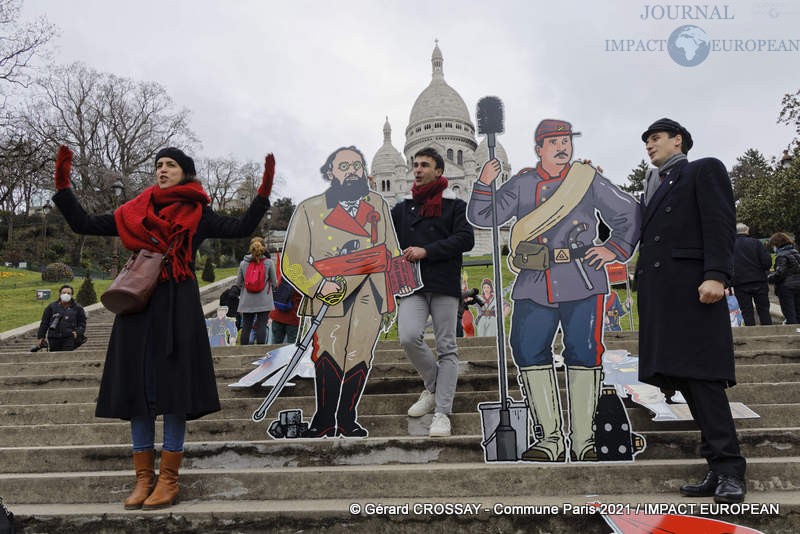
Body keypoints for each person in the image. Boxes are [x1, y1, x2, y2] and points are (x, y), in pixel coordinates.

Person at [51, 145, 274, 510]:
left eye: (170, 165)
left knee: (174, 391)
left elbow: (241, 228)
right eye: (158, 165)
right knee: (138, 389)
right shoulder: (135, 210)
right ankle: (143, 479)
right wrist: (63, 184)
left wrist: (263, 192)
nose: (162, 169)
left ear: (185, 172)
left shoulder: (198, 212)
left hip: (178, 306)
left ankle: (168, 479)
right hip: (138, 306)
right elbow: (84, 224)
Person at [470, 119, 639, 462]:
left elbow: (629, 211)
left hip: (581, 276)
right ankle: (550, 438)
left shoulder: (587, 180)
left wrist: (615, 248)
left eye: (566, 141)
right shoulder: (522, 184)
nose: (563, 147)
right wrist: (484, 183)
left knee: (584, 352)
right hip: (535, 282)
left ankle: (584, 439)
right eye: (554, 142)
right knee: (528, 350)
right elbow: (483, 216)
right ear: (539, 149)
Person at [637, 118, 746, 503]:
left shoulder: (703, 169)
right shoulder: (652, 186)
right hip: (663, 296)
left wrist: (717, 274)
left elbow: (720, 223)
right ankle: (717, 469)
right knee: (685, 380)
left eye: (656, 138)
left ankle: (730, 469)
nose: (649, 145)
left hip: (695, 291)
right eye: (646, 140)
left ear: (677, 140)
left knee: (704, 379)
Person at [282, 146, 408, 438]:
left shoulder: (377, 204)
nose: (352, 171)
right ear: (330, 173)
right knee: (329, 353)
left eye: (357, 165)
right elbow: (292, 260)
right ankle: (325, 418)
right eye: (344, 166)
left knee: (359, 355)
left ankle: (347, 417)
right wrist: (317, 285)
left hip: (370, 294)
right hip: (331, 294)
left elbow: (391, 248)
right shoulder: (310, 209)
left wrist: (394, 292)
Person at [392, 147, 475, 437]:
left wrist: (427, 250)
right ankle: (434, 385)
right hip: (411, 284)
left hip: (442, 282)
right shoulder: (402, 208)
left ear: (439, 171)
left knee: (446, 347)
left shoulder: (455, 205)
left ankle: (442, 412)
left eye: (424, 165)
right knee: (408, 336)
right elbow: (382, 232)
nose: (417, 169)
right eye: (414, 164)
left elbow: (466, 239)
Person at [236, 237, 277, 344]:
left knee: (246, 326)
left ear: (250, 247)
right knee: (261, 326)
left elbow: (238, 283)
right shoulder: (268, 263)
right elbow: (274, 282)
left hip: (247, 301)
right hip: (264, 300)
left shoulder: (243, 263)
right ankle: (260, 353)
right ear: (264, 247)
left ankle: (243, 352)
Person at [732, 223, 772, 326]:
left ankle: (751, 334)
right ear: (746, 231)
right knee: (764, 311)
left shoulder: (730, 245)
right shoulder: (756, 243)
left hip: (739, 283)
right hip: (759, 281)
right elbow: (767, 262)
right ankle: (768, 334)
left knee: (746, 312)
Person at [36, 284, 87, 351]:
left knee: (67, 356)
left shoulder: (77, 308)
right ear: (60, 294)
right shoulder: (52, 306)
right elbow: (44, 322)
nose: (66, 294)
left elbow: (82, 323)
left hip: (69, 337)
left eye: (69, 293)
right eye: (64, 293)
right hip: (53, 337)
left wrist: (77, 333)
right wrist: (41, 337)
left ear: (72, 295)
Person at [767, 232, 800, 324]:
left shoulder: (781, 255)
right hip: (798, 286)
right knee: (798, 312)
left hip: (786, 288)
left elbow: (780, 273)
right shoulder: (796, 253)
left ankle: (793, 334)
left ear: (776, 244)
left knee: (789, 313)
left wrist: (769, 278)